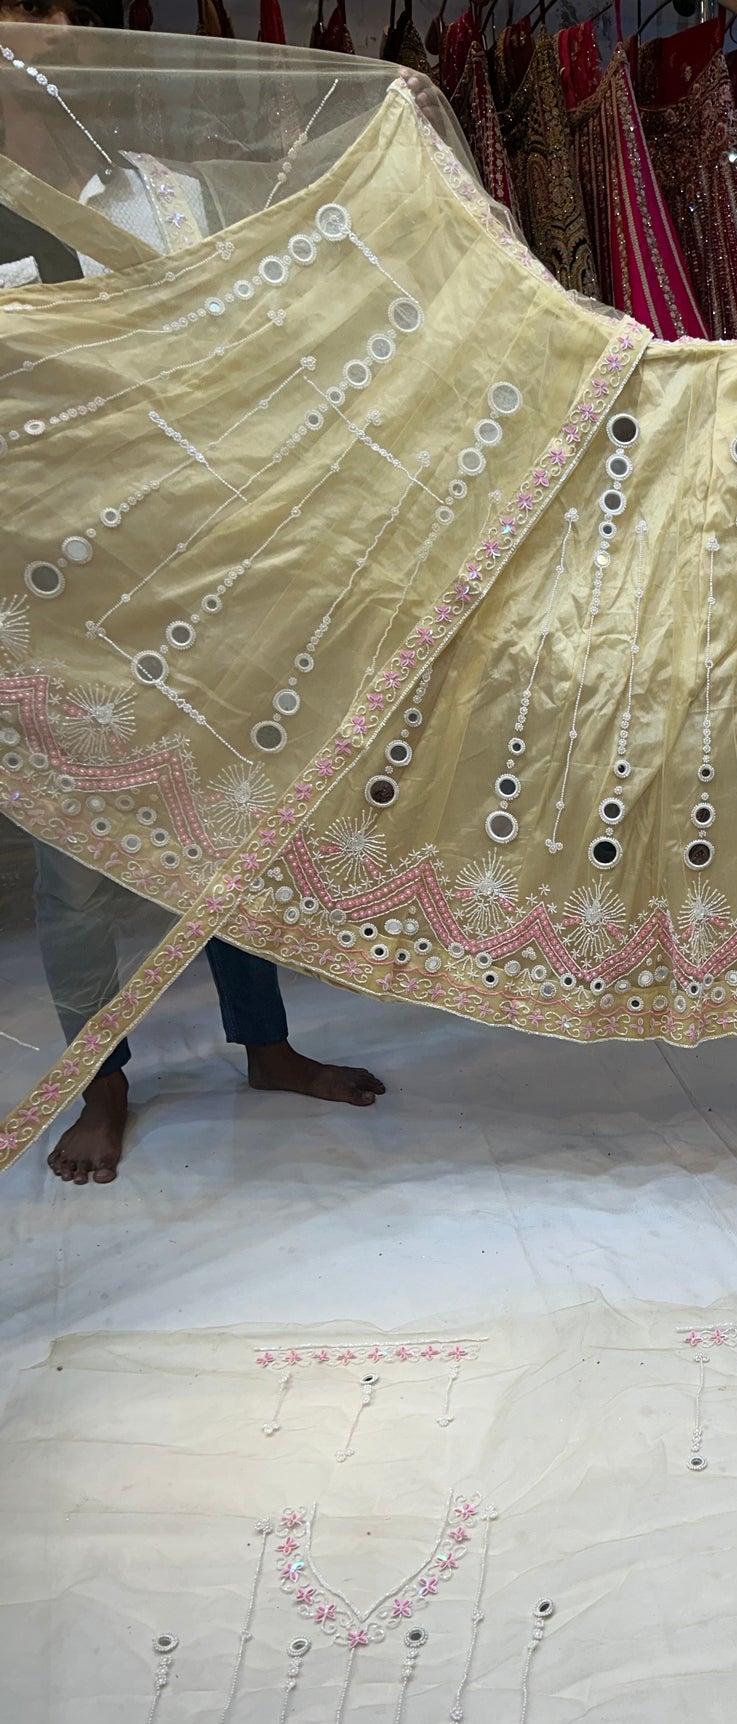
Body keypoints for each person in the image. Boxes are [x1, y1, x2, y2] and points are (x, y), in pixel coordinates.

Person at [1, 2, 386, 1185]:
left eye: (62, 13)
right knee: (73, 860)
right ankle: (99, 1078)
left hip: (195, 558)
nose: (45, 35)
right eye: (22, 13)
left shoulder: (169, 194)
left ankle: (263, 1041)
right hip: (42, 577)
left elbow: (250, 346)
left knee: (227, 815)